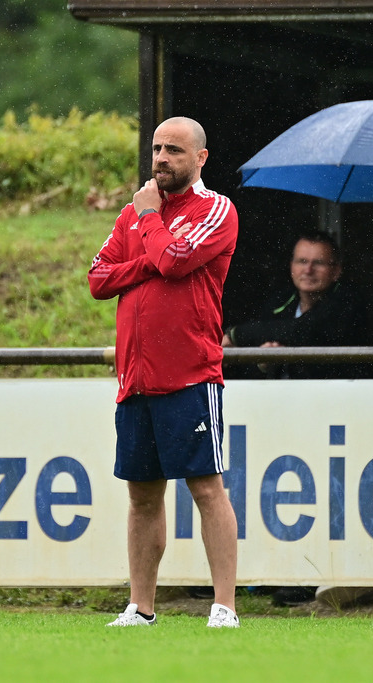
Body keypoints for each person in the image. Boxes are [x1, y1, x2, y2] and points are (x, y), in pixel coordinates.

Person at [88, 116, 241, 628]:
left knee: (205, 488)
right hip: (135, 377)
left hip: (190, 374)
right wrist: (146, 259)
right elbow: (98, 279)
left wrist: (150, 223)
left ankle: (224, 606)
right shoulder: (133, 213)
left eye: (173, 150)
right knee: (142, 496)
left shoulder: (215, 209)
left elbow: (175, 261)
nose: (160, 159)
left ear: (200, 158)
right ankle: (141, 607)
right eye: (156, 148)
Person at [222, 231, 373, 380]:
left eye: (318, 263)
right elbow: (244, 373)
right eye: (302, 261)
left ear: (336, 271)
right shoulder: (279, 301)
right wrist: (262, 365)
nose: (308, 270)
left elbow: (302, 330)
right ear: (291, 267)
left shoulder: (347, 302)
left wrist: (236, 334)